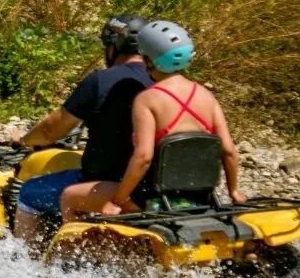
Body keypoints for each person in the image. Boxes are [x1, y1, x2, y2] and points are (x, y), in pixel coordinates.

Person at [10, 14, 151, 238]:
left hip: (107, 185)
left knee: (28, 193)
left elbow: (50, 131)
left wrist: (23, 140)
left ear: (113, 47)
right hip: (150, 184)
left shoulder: (100, 80)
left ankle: (28, 263)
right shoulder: (163, 82)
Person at [102, 21, 244, 215]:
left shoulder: (147, 99)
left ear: (148, 59)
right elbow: (229, 151)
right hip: (202, 197)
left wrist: (118, 200)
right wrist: (234, 191)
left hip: (154, 198)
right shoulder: (206, 96)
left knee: (70, 196)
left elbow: (143, 157)